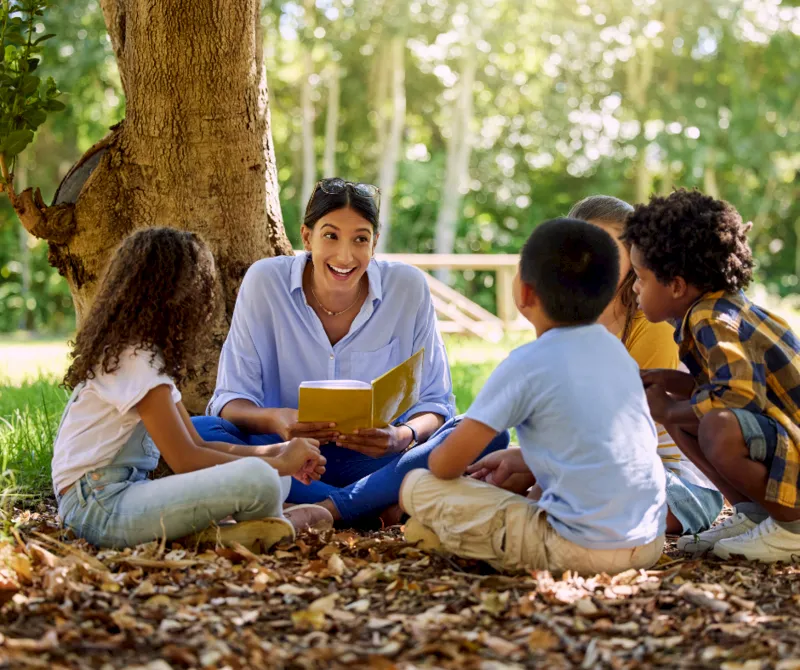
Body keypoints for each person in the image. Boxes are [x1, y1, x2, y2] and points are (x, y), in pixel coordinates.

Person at [193, 178, 509, 526]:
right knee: (199, 432)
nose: (345, 255)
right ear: (307, 236)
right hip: (289, 456)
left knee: (489, 432)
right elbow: (229, 401)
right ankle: (373, 505)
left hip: (377, 460)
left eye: (360, 239)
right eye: (330, 235)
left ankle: (328, 510)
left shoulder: (407, 287)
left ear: (374, 243)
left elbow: (437, 403)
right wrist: (279, 420)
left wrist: (399, 436)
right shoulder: (266, 281)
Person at [399, 218, 667, 575]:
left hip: (578, 550)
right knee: (439, 524)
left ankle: (464, 538)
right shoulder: (617, 352)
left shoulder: (527, 363)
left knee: (417, 486)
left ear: (525, 293)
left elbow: (443, 465)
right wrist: (525, 458)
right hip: (650, 541)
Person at [52, 228, 330, 551]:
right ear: (179, 297)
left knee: (272, 478)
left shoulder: (147, 359)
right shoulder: (134, 359)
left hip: (117, 497)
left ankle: (227, 532)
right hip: (96, 507)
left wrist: (279, 454)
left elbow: (198, 442)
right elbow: (186, 459)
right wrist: (279, 464)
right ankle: (256, 526)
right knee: (264, 479)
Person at [625, 188, 800, 562]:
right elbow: (738, 387)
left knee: (715, 426)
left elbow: (737, 400)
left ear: (675, 285)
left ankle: (792, 527)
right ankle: (755, 514)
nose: (635, 288)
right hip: (784, 443)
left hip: (794, 451)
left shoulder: (713, 318)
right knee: (690, 411)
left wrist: (670, 411)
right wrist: (671, 383)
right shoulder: (712, 310)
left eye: (640, 277)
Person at [568, 195, 724, 537]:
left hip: (676, 480)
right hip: (598, 465)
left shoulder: (649, 322)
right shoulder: (571, 321)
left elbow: (630, 430)